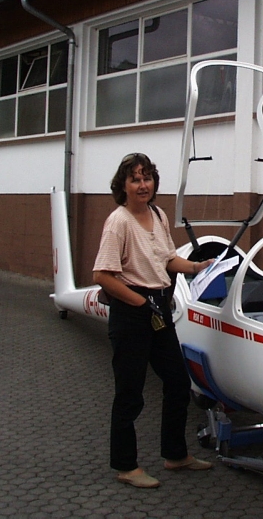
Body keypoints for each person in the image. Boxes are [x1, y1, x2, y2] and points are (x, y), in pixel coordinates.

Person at [93, 152, 213, 489]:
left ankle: (175, 455)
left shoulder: (158, 215)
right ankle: (126, 466)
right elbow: (102, 275)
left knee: (177, 382)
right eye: (135, 179)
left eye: (147, 178)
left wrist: (197, 267)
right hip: (132, 314)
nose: (142, 185)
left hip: (158, 310)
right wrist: (139, 302)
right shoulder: (118, 222)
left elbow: (168, 259)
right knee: (130, 393)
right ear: (123, 185)